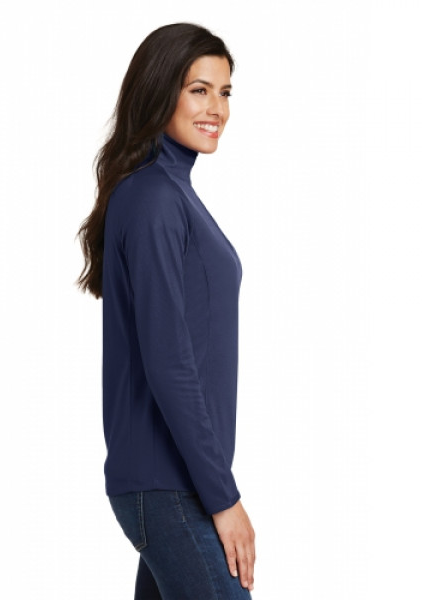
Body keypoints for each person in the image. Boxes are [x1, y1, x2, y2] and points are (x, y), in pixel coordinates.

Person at [77, 23, 255, 599]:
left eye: (225, 92)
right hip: (171, 486)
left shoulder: (167, 192)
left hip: (177, 483)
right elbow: (170, 363)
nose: (217, 108)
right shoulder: (154, 196)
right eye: (199, 90)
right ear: (159, 91)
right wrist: (223, 499)